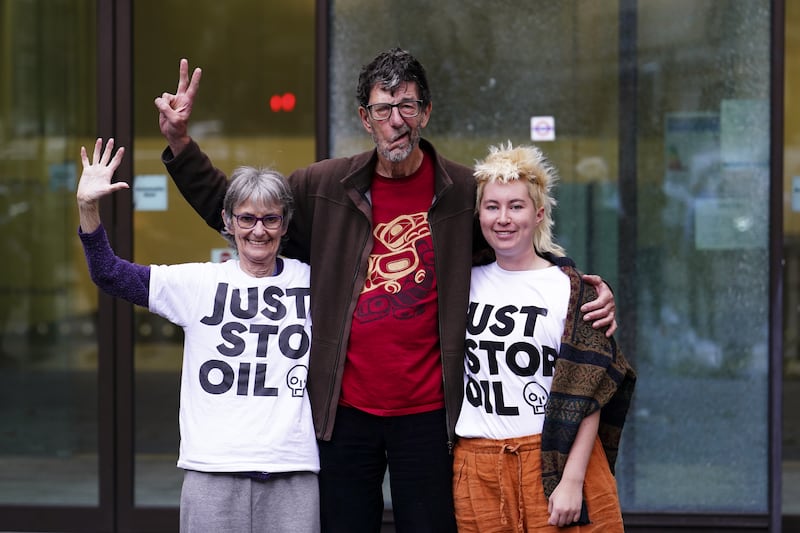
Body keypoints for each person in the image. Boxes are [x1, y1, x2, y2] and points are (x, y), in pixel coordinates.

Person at [153, 48, 618, 533]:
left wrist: (578, 290)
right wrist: (182, 145)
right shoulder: (324, 187)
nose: (397, 121)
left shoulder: (461, 191)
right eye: (383, 108)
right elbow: (244, 215)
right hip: (345, 411)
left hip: (430, 412)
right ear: (365, 118)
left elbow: (514, 246)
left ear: (426, 112)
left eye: (408, 106)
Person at [76, 138, 319, 533]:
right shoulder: (199, 283)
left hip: (293, 470)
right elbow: (109, 273)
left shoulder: (314, 282)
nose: (259, 230)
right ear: (228, 221)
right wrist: (88, 207)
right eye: (247, 218)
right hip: (212, 471)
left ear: (285, 224)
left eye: (270, 219)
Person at [453, 142, 636, 532]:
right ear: (479, 214)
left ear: (538, 214)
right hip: (478, 464)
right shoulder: (459, 283)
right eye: (492, 206)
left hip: (555, 459)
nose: (503, 218)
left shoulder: (572, 291)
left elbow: (590, 391)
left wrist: (571, 482)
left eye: (516, 206)